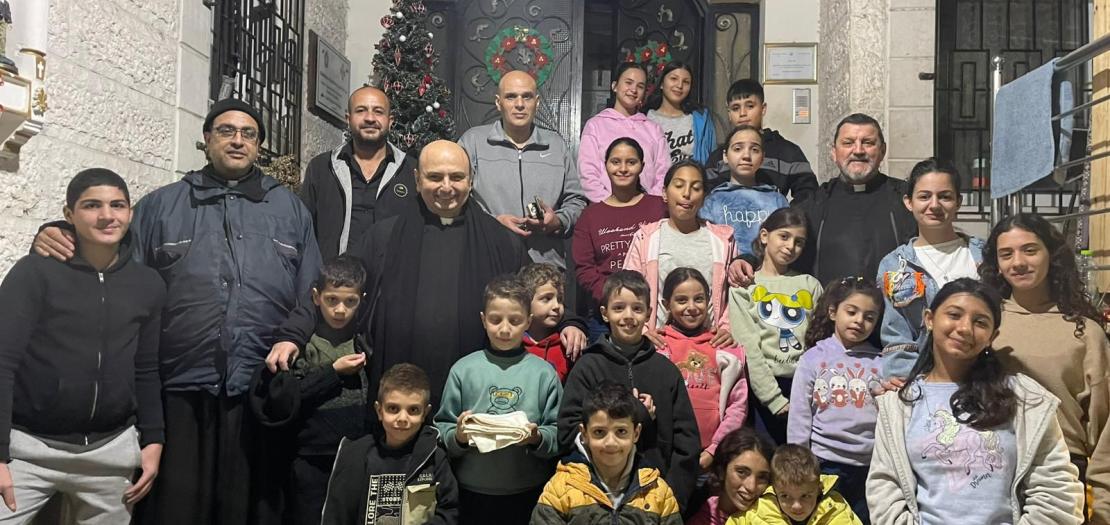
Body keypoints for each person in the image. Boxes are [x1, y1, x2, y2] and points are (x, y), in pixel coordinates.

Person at [33, 99, 323, 525]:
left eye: (248, 134)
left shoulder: (290, 210)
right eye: (226, 131)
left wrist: (291, 336)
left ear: (259, 145)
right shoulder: (161, 207)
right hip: (180, 385)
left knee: (251, 511)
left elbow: (312, 289)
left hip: (259, 384)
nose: (238, 140)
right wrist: (60, 234)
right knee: (177, 508)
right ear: (207, 139)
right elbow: (109, 258)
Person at [268, 141, 587, 408]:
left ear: (470, 181)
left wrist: (569, 322)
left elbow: (538, 287)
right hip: (400, 394)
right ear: (417, 179)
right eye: (435, 177)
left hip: (477, 391)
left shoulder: (499, 239)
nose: (446, 187)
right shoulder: (384, 236)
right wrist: (292, 334)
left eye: (456, 177)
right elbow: (332, 286)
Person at [0, 169, 165, 523]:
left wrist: (153, 440)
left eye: (117, 205)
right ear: (69, 213)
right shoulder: (34, 273)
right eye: (92, 205)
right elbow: (3, 362)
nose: (107, 215)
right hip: (26, 450)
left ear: (130, 213)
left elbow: (147, 369)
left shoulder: (148, 284)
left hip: (110, 455)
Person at [867, 278, 1085, 524]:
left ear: (993, 336)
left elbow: (1057, 491)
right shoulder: (899, 404)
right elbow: (884, 489)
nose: (965, 328)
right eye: (954, 315)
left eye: (980, 322)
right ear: (929, 319)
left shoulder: (1025, 399)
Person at [977, 213, 1109, 524]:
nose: (1018, 263)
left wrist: (1103, 504)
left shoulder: (1085, 332)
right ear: (996, 264)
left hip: (1061, 472)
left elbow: (1104, 428)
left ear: (1052, 255)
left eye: (1030, 250)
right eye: (1006, 254)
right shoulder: (982, 322)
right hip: (987, 469)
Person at [557, 270, 700, 511]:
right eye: (619, 308)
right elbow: (567, 433)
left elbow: (687, 443)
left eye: (637, 308)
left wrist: (672, 499)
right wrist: (637, 414)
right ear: (605, 313)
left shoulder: (666, 371)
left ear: (649, 313)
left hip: (655, 498)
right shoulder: (587, 367)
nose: (628, 316)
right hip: (597, 498)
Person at [247, 255, 370, 524]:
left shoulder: (362, 341)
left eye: (350, 302)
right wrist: (333, 372)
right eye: (332, 300)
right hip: (309, 457)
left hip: (352, 457)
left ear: (361, 300)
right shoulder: (302, 345)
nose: (340, 310)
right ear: (316, 297)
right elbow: (289, 397)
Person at [435, 275, 562, 525]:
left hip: (529, 489)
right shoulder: (463, 369)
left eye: (515, 321)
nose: (504, 329)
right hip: (471, 489)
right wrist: (458, 437)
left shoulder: (544, 373)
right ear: (483, 320)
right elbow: (442, 428)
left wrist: (536, 437)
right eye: (495, 320)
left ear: (528, 321)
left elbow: (559, 433)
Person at [458, 71, 588, 268]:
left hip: (545, 266)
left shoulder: (556, 145)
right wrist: (492, 223)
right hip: (490, 260)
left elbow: (577, 201)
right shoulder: (473, 142)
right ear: (498, 102)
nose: (519, 104)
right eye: (511, 97)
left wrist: (557, 221)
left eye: (527, 97)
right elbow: (457, 198)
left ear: (537, 102)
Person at [877, 158, 985, 377]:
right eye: (924, 196)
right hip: (923, 380)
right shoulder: (894, 265)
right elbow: (896, 336)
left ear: (958, 202)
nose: (934, 205)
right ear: (909, 202)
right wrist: (917, 384)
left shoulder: (985, 255)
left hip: (984, 376)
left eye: (944, 196)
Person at [788, 277, 883, 523]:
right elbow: (799, 416)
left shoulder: (881, 363)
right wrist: (799, 463)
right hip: (824, 464)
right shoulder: (812, 359)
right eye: (852, 312)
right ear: (833, 312)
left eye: (869, 317)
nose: (859, 321)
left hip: (868, 467)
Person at [321, 363, 459, 525]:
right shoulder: (355, 455)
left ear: (425, 413)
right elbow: (336, 514)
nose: (402, 418)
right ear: (379, 411)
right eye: (393, 408)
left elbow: (449, 511)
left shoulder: (434, 457)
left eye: (413, 410)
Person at [729, 208, 823, 445]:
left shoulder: (809, 284)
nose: (791, 246)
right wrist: (773, 398)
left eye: (799, 242)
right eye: (784, 236)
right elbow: (748, 347)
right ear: (764, 236)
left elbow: (820, 341)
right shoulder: (744, 287)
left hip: (805, 387)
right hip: (763, 391)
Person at [531, 383, 682, 524]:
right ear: (584, 434)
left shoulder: (658, 492)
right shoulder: (560, 490)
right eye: (599, 432)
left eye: (621, 431)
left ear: (636, 433)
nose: (610, 442)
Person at [794, 113, 916, 287]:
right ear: (834, 152)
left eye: (868, 143)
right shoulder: (812, 205)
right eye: (848, 143)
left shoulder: (907, 200)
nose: (858, 151)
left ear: (882, 151)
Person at [300, 86, 419, 261]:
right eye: (361, 110)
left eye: (378, 111)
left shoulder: (412, 171)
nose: (370, 118)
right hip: (335, 276)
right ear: (348, 119)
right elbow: (303, 231)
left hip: (393, 277)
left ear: (390, 121)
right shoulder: (321, 168)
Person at [624, 160, 736, 343]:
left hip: (709, 345)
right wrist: (643, 332)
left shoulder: (722, 241)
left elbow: (735, 294)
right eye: (679, 185)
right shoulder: (646, 238)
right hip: (659, 347)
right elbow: (629, 290)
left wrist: (726, 329)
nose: (686, 194)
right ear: (664, 193)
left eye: (696, 188)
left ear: (704, 197)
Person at [572, 137, 667, 340]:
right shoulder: (590, 216)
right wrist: (613, 297)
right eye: (616, 162)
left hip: (655, 313)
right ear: (605, 165)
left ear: (642, 166)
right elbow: (584, 269)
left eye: (631, 162)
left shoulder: (660, 207)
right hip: (606, 316)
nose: (623, 169)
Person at [657, 268, 748, 471]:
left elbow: (737, 406)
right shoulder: (658, 346)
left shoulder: (724, 348)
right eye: (681, 300)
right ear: (667, 304)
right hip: (668, 458)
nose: (691, 307)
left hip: (713, 459)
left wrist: (714, 450)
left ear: (708, 301)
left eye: (698, 299)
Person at [706, 79, 817, 200]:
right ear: (729, 114)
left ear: (763, 108)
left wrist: (785, 212)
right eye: (736, 108)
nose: (742, 113)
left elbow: (809, 195)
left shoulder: (787, 152)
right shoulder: (717, 158)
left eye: (750, 106)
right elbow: (705, 196)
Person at [578, 62, 670, 202]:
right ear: (615, 86)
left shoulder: (653, 129)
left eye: (640, 86)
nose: (633, 90)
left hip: (647, 209)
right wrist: (609, 203)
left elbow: (664, 172)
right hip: (605, 207)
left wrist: (649, 203)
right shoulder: (595, 125)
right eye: (628, 82)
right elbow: (587, 172)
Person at [700, 125, 789, 254]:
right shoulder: (712, 201)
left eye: (754, 150)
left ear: (762, 158)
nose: (746, 155)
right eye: (737, 149)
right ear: (725, 156)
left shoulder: (776, 200)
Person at [730, 444, 861, 525]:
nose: (796, 506)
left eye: (805, 496)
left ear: (819, 488)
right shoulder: (758, 511)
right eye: (785, 496)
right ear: (774, 490)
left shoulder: (836, 510)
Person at [687, 428, 774, 525]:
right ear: (721, 471)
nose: (751, 487)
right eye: (741, 472)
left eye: (762, 477)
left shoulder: (774, 515)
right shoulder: (701, 521)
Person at [644, 61, 716, 165]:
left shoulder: (701, 118)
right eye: (674, 79)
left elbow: (712, 159)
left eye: (686, 82)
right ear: (661, 84)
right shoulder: (646, 118)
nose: (679, 85)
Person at [519, 263, 573, 382]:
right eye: (547, 299)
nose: (556, 306)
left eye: (560, 299)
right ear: (525, 302)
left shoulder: (568, 345)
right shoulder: (513, 344)